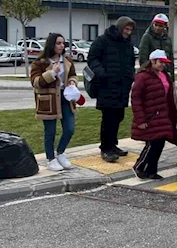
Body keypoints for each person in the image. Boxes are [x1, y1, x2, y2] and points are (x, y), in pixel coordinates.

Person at [88, 16, 136, 162]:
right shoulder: (102, 41)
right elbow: (92, 59)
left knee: (118, 116)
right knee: (108, 117)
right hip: (106, 86)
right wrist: (102, 73)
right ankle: (105, 148)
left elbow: (130, 62)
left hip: (122, 86)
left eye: (130, 30)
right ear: (120, 27)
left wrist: (130, 77)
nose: (128, 32)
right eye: (126, 29)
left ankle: (113, 144)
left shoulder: (127, 44)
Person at [31, 33, 79, 172]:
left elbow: (73, 75)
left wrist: (72, 81)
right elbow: (35, 82)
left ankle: (61, 152)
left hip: (66, 98)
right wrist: (52, 73)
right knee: (50, 131)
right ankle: (50, 159)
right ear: (51, 44)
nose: (61, 46)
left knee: (69, 129)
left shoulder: (67, 60)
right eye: (58, 43)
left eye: (63, 43)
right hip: (48, 101)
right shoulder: (40, 62)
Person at [130, 49, 177, 180]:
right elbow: (136, 99)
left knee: (159, 144)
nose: (163, 64)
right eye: (160, 62)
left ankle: (152, 170)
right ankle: (139, 166)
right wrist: (140, 120)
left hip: (163, 115)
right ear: (152, 61)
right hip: (150, 116)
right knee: (152, 144)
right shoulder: (142, 77)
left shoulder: (164, 75)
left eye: (164, 62)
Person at [139, 13, 174, 78]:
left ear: (165, 26)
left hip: (165, 74)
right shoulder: (147, 37)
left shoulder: (167, 39)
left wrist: (172, 78)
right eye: (156, 25)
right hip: (152, 74)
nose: (157, 28)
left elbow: (171, 59)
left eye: (160, 26)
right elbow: (143, 57)